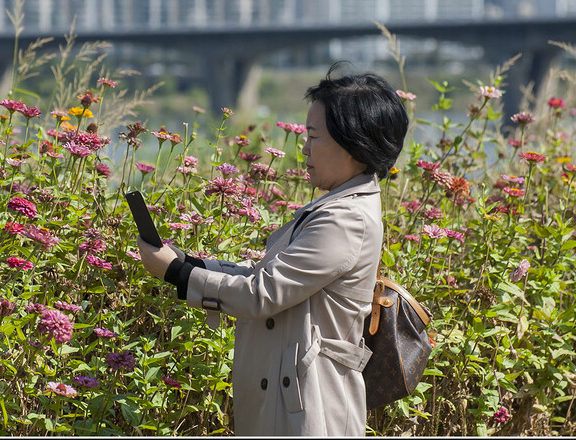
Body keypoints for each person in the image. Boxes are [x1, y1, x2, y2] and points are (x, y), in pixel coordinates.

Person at [137, 66, 409, 436]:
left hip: (310, 409)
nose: (305, 148)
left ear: (354, 144)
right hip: (293, 400)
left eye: (313, 136)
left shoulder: (346, 219)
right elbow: (270, 274)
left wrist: (177, 274)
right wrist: (196, 264)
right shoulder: (339, 206)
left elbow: (263, 294)